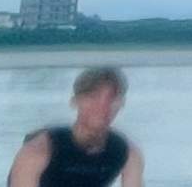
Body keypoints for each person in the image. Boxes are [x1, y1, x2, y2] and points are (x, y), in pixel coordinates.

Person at [10, 66, 144, 187]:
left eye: (112, 99)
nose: (103, 106)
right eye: (93, 97)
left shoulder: (127, 153)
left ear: (121, 103)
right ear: (74, 101)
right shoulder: (37, 152)